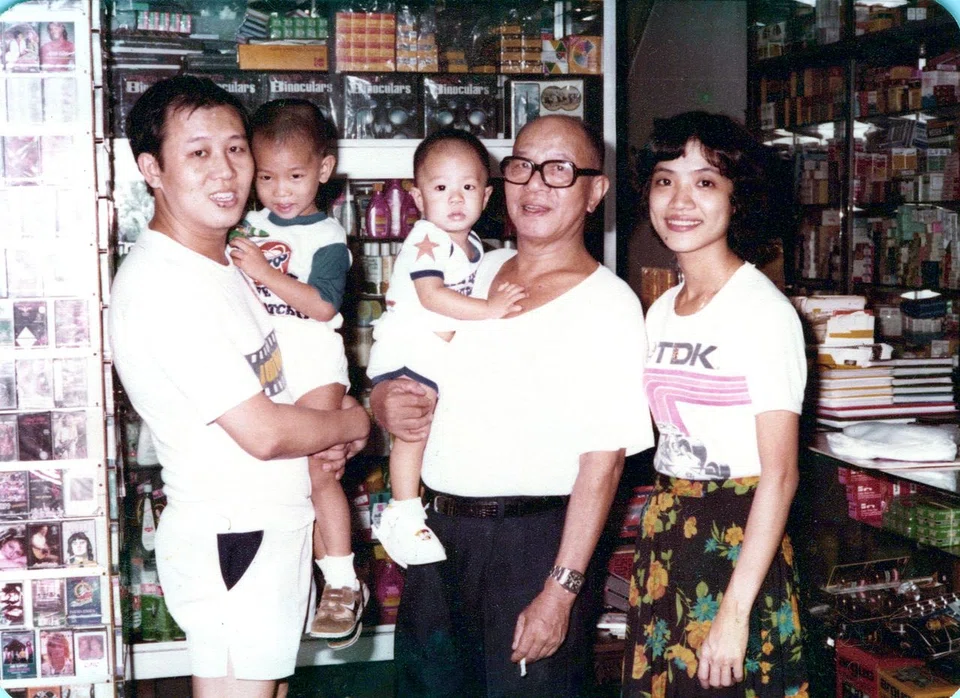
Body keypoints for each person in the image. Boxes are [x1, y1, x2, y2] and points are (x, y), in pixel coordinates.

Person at [370, 114, 653, 697]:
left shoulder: (609, 304)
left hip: (531, 546)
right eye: (522, 167)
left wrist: (561, 590)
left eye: (560, 171)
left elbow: (604, 463)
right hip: (440, 536)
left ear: (596, 191)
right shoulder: (474, 270)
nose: (536, 185)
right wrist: (383, 402)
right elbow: (411, 358)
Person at [108, 75, 370, 698]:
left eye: (235, 148)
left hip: (272, 527)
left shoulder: (229, 262)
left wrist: (322, 439)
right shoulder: (163, 284)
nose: (226, 171)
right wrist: (354, 422)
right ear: (152, 169)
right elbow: (263, 431)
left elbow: (284, 397)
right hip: (235, 535)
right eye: (198, 153)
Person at [622, 111, 809, 695]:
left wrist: (732, 615)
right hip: (668, 534)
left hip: (737, 545)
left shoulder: (764, 312)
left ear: (737, 197)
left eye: (704, 181)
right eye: (664, 179)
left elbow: (779, 477)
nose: (679, 199)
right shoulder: (660, 309)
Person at [227, 98, 363, 647]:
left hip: (314, 364)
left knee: (317, 474)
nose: (281, 189)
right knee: (287, 482)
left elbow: (325, 307)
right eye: (267, 177)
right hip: (267, 365)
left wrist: (262, 271)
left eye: (296, 176)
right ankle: (316, 575)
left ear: (323, 171)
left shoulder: (326, 237)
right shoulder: (248, 223)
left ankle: (343, 582)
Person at [367, 128, 525, 567]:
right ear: (418, 197)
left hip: (434, 352)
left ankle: (410, 506)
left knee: (427, 432)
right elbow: (432, 297)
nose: (455, 200)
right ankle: (402, 512)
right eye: (441, 188)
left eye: (468, 187)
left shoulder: (473, 245)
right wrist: (489, 308)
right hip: (408, 349)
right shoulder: (426, 240)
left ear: (487, 195)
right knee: (412, 434)